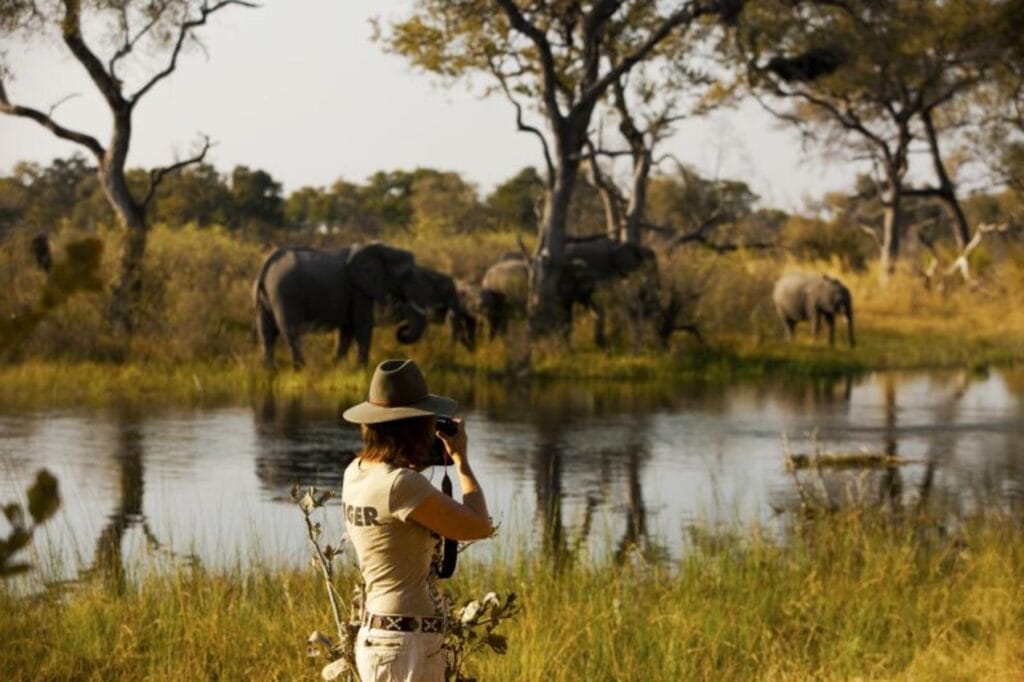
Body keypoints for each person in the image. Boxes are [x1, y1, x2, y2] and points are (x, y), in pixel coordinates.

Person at [341, 358, 492, 682]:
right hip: (404, 646)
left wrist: (420, 457)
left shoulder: (355, 473)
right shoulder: (402, 486)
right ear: (413, 427)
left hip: (377, 637)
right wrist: (461, 461)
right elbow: (480, 526)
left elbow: (394, 500)